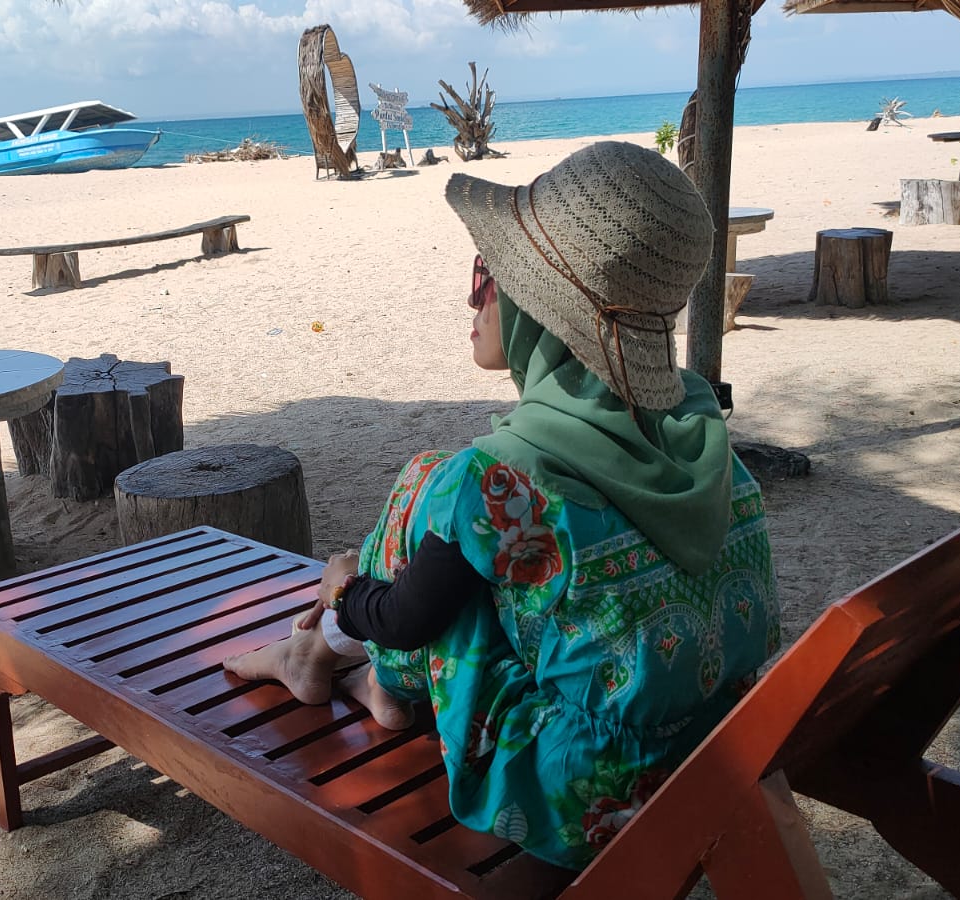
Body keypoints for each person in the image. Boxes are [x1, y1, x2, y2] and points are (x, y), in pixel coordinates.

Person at [223, 141, 780, 870]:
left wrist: (341, 589)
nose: (471, 295)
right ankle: (332, 662)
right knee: (469, 521)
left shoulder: (500, 478)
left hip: (588, 799)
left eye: (486, 273)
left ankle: (321, 651)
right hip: (722, 739)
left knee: (438, 486)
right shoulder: (707, 439)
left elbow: (407, 618)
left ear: (535, 305)